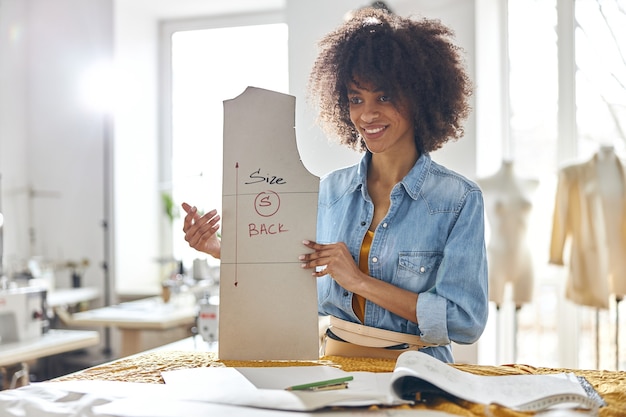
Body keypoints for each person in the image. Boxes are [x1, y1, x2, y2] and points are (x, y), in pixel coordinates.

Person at [182, 7, 488, 363]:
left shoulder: (459, 200)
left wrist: (359, 282)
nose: (367, 114)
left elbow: (466, 321)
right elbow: (286, 274)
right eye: (356, 99)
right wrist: (220, 249)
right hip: (333, 369)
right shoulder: (328, 193)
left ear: (420, 97)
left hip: (418, 373)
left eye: (383, 97)